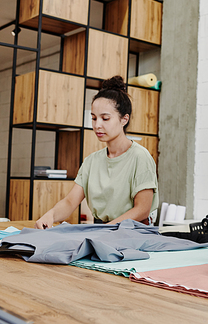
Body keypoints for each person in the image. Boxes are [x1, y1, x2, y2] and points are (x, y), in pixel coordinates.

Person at [35, 76, 159, 229]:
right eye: (93, 118)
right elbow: (70, 202)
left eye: (105, 118)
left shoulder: (140, 157)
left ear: (124, 119)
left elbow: (142, 209)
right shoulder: (91, 161)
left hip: (133, 232)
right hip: (101, 230)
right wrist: (50, 215)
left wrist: (106, 230)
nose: (97, 125)